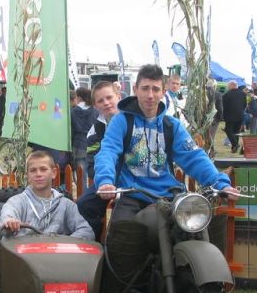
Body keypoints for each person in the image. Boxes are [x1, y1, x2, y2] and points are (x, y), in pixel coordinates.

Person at [95, 64, 239, 224]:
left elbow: (194, 157)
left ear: (164, 92)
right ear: (135, 90)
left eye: (156, 89)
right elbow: (108, 151)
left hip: (168, 194)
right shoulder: (121, 121)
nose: (150, 95)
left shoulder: (172, 125)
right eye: (145, 88)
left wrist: (219, 183)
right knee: (121, 233)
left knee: (195, 229)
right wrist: (105, 180)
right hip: (132, 193)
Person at [0, 150, 94, 239]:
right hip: (24, 255)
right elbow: (5, 218)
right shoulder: (16, 202)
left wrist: (63, 243)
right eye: (33, 170)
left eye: (43, 169)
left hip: (57, 255)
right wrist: (9, 223)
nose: (38, 174)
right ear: (28, 176)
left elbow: (86, 231)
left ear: (54, 173)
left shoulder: (67, 205)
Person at [77, 80, 121, 240]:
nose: (106, 103)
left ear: (118, 96)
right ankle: (93, 243)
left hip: (133, 178)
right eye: (100, 101)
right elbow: (91, 164)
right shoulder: (95, 130)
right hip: (106, 181)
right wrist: (105, 182)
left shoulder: (132, 119)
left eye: (109, 97)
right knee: (84, 204)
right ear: (95, 105)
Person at [71, 86, 95, 177]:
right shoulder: (95, 111)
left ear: (79, 98)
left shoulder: (73, 112)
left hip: (78, 145)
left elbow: (72, 130)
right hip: (93, 144)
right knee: (93, 174)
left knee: (81, 175)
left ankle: (83, 191)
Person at [221, 81, 246, 153]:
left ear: (231, 86)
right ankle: (234, 148)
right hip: (240, 115)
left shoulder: (226, 95)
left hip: (230, 116)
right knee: (236, 132)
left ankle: (235, 144)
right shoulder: (243, 94)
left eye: (228, 86)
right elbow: (244, 105)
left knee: (228, 131)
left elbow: (224, 107)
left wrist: (224, 116)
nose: (227, 87)